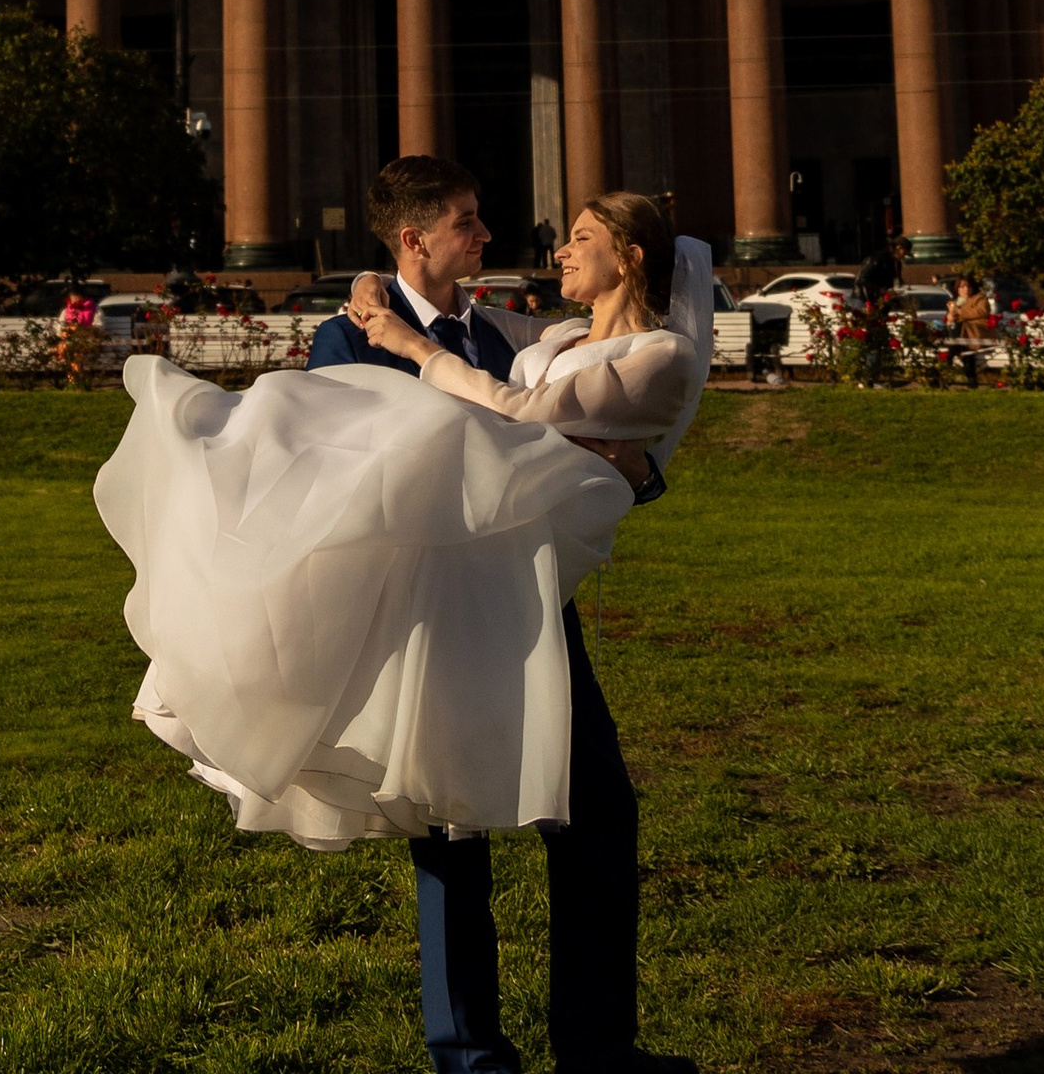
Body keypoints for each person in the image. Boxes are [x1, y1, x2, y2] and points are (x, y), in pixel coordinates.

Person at [96, 157, 707, 1074]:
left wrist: (638, 472)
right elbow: (311, 476)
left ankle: (598, 1048)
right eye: (466, 221)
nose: (487, 234)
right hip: (417, 619)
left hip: (533, 607)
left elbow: (579, 425)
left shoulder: (506, 335)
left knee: (595, 812)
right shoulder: (349, 343)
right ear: (416, 239)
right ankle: (470, 1056)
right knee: (447, 827)